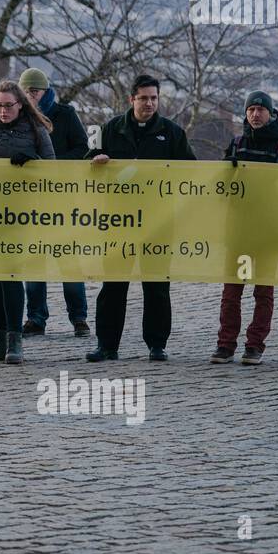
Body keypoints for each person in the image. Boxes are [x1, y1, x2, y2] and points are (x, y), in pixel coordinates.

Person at [85, 74, 196, 362]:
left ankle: (157, 344)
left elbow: (192, 173)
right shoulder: (109, 129)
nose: (149, 103)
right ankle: (106, 345)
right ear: (131, 99)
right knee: (113, 285)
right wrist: (94, 162)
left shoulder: (172, 133)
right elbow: (83, 165)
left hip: (158, 223)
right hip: (118, 223)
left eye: (154, 98)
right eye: (144, 98)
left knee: (157, 286)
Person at [0, 80, 55, 364]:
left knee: (12, 275)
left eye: (9, 105)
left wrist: (33, 160)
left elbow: (53, 168)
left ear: (21, 105)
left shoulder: (35, 129)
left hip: (22, 215)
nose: (3, 111)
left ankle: (15, 338)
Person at [211, 92, 278, 365]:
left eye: (261, 109)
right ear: (246, 114)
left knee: (263, 292)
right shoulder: (236, 144)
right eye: (251, 109)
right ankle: (226, 344)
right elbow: (221, 187)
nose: (255, 114)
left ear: (271, 114)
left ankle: (255, 345)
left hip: (269, 233)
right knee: (232, 292)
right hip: (239, 232)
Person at [18, 68, 91, 338]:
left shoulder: (65, 114)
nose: (30, 96)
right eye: (26, 92)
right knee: (34, 263)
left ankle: (79, 317)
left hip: (62, 200)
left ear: (45, 91)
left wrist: (50, 164)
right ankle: (36, 318)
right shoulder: (18, 117)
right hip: (31, 203)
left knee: (69, 262)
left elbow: (82, 148)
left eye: (34, 92)